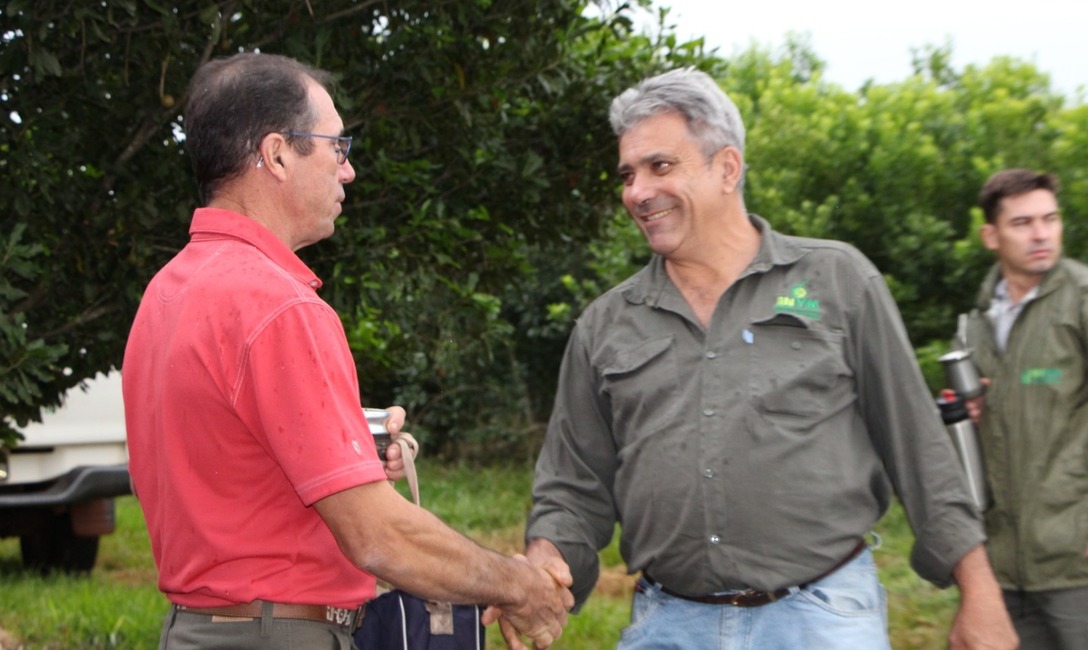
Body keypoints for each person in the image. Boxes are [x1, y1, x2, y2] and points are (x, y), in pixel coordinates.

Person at [505, 68, 1018, 649]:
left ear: (727, 168)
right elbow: (572, 487)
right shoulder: (606, 324)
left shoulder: (838, 280)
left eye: (660, 166)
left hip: (820, 616)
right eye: (628, 174)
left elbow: (920, 448)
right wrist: (543, 566)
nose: (636, 192)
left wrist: (980, 590)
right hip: (669, 622)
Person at [122, 51, 572, 650]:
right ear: (278, 154)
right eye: (336, 146)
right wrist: (519, 584)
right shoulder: (281, 308)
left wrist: (353, 450)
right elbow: (380, 538)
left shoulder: (168, 290)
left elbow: (230, 467)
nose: (348, 170)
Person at [960, 168, 1088, 649]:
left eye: (1050, 219)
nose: (1041, 233)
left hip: (1075, 556)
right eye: (1023, 223)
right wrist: (970, 411)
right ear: (990, 235)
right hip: (1004, 561)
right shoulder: (976, 318)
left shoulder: (1080, 299)